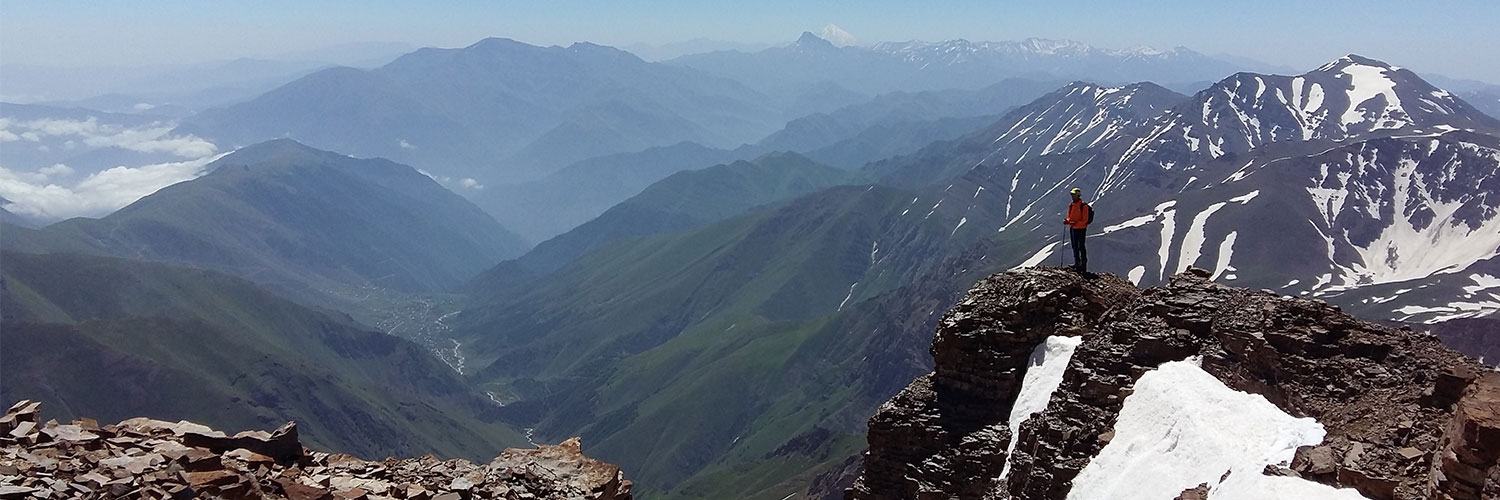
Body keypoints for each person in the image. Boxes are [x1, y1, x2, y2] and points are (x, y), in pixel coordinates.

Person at [1063, 188, 1092, 272]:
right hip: (1073, 228)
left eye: (1073, 195)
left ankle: (1083, 265)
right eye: (1071, 194)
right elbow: (1070, 217)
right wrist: (1067, 221)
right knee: (1074, 246)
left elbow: (1085, 220)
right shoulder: (1071, 205)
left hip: (1081, 229)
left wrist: (1073, 223)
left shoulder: (1084, 206)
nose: (1072, 196)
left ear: (1078, 195)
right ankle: (1077, 263)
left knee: (1081, 246)